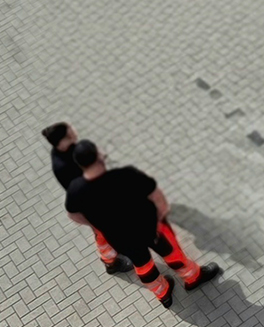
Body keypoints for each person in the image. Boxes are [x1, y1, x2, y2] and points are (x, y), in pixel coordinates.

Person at [65, 140, 220, 308]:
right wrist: (161, 215)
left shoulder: (75, 190)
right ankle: (192, 278)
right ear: (99, 157)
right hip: (149, 228)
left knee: (142, 264)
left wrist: (96, 225)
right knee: (171, 253)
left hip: (120, 238)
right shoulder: (125, 175)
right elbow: (155, 195)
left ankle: (163, 293)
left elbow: (73, 215)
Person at [41, 123, 133, 275]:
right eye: (71, 132)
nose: (75, 133)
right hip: (91, 207)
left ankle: (116, 247)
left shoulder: (65, 150)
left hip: (96, 200)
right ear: (64, 139)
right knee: (102, 234)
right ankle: (111, 262)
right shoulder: (64, 166)